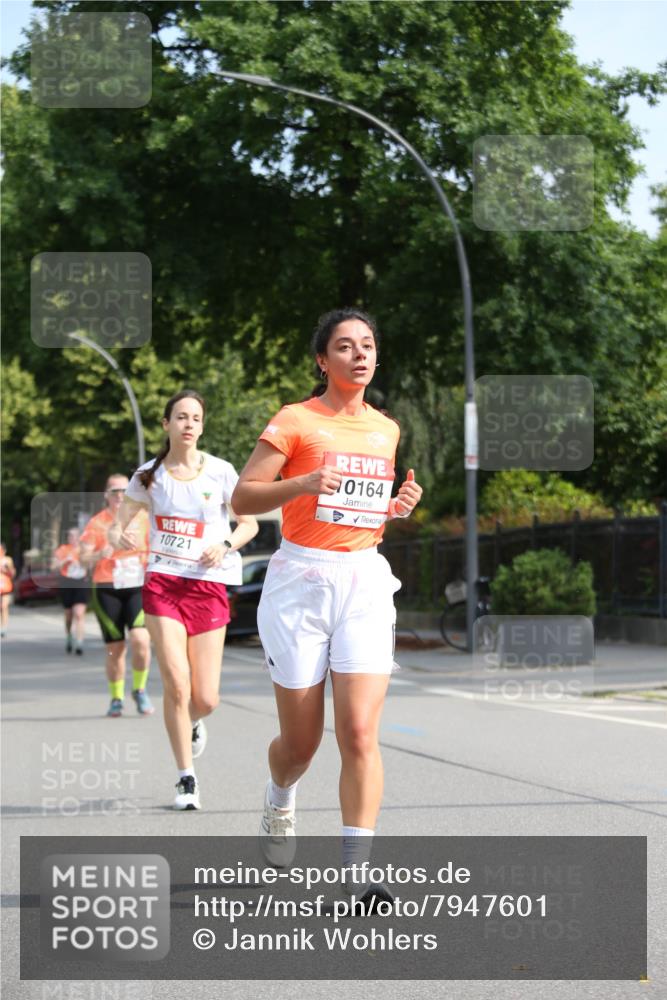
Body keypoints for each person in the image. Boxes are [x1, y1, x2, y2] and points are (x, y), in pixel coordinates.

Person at [231, 307, 422, 885]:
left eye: (367, 345)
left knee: (359, 732)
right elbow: (244, 497)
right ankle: (280, 795)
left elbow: (359, 510)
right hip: (301, 584)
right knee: (301, 744)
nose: (359, 354)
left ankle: (356, 876)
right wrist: (302, 482)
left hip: (363, 581)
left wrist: (393, 508)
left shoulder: (386, 429)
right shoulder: (295, 420)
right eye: (345, 346)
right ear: (322, 360)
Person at [117, 389, 258, 811]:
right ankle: (185, 778)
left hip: (208, 586)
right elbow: (124, 522)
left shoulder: (221, 471)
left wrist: (226, 544)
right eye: (181, 417)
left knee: (206, 698)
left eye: (196, 418)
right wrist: (124, 534)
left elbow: (248, 523)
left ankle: (193, 720)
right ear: (166, 424)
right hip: (163, 584)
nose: (189, 424)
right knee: (177, 683)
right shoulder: (148, 475)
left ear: (202, 426)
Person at [79, 475, 154, 718]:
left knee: (141, 639)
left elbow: (157, 548)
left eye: (124, 490)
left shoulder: (143, 518)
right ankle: (116, 697)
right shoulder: (97, 523)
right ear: (106, 495)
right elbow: (83, 558)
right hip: (107, 587)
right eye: (114, 491)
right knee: (115, 649)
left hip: (137, 586)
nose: (120, 495)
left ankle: (139, 690)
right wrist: (99, 553)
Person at [52, 528, 89, 654]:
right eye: (71, 536)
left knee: (79, 613)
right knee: (68, 615)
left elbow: (91, 564)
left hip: (81, 582)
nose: (73, 539)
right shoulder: (63, 549)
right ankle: (69, 636)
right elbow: (54, 566)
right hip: (67, 582)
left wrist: (83, 560)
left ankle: (79, 642)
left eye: (76, 536)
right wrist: (65, 561)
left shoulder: (84, 549)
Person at [0, 543, 16, 638]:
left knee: (4, 606)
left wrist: (6, 570)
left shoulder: (8, 560)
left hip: (6, 586)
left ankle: (4, 627)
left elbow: (13, 573)